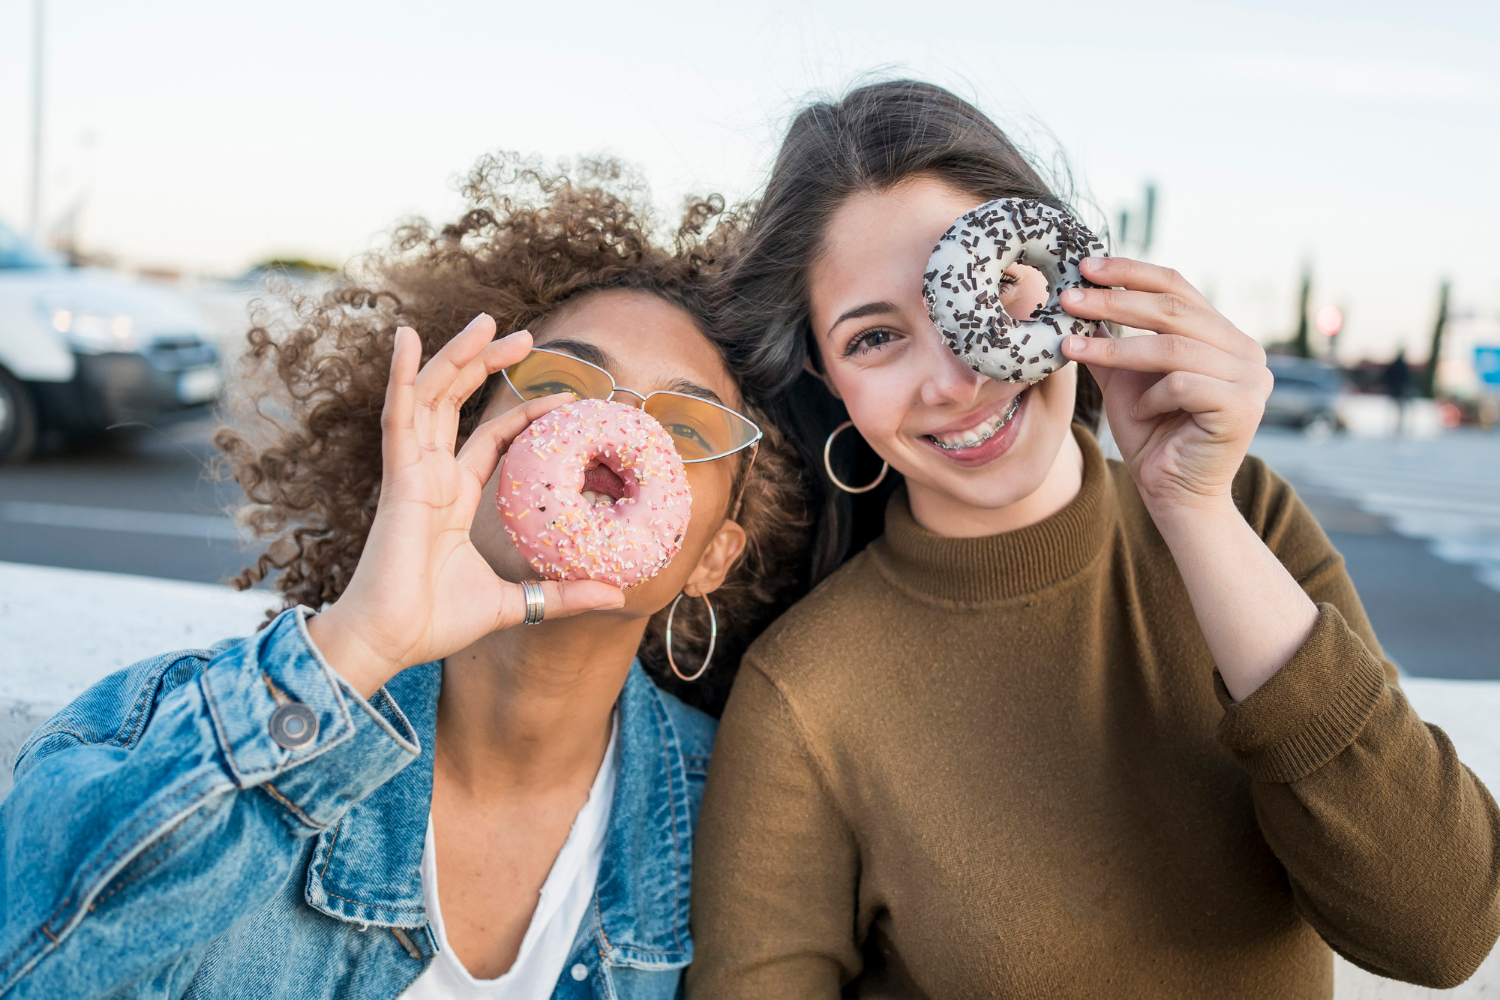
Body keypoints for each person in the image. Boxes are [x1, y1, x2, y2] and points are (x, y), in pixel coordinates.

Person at [687, 81, 1500, 998]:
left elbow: (1444, 929)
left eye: (990, 295)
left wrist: (1191, 509)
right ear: (825, 376)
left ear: (1070, 285)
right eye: (876, 338)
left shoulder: (1247, 520)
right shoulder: (806, 693)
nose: (955, 379)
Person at [0, 156, 807, 999]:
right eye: (562, 384)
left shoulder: (733, 813)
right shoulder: (179, 724)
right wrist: (356, 646)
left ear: (715, 553)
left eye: (685, 424)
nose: (617, 429)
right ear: (460, 445)